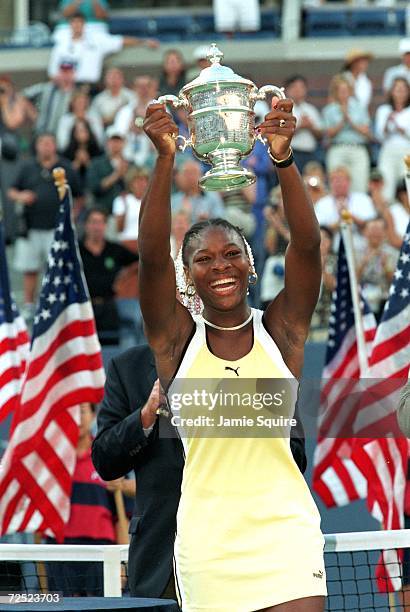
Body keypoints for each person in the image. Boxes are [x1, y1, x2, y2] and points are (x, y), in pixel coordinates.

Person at [138, 99, 326, 610]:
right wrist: (163, 159)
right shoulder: (176, 343)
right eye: (203, 258)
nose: (219, 266)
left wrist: (284, 161)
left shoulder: (281, 331)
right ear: (188, 275)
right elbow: (152, 258)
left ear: (250, 265)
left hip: (286, 535)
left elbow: (307, 250)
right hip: (209, 546)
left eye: (231, 254)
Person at [92, 344, 309, 599]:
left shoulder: (261, 360)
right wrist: (146, 414)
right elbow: (105, 460)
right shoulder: (129, 367)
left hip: (245, 555)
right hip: (163, 563)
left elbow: (295, 457)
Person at [46, 402, 135, 596]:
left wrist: (123, 562)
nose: (78, 417)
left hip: (101, 554)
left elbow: (121, 518)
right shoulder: (51, 460)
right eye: (72, 411)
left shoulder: (105, 457)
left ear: (94, 416)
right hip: (59, 553)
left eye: (83, 411)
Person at [8, 132, 82, 317]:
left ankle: (57, 304)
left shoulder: (66, 167)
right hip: (31, 227)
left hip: (57, 228)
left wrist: (72, 215)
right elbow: (11, 191)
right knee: (30, 268)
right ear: (37, 146)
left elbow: (80, 196)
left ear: (55, 146)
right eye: (42, 143)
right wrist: (22, 196)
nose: (46, 146)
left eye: (49, 143)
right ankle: (29, 305)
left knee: (57, 268)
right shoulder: (28, 167)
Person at [48, 13, 159, 90]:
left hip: (90, 88)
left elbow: (121, 41)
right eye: (74, 22)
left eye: (79, 22)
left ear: (84, 24)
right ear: (70, 25)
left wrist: (144, 42)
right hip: (65, 89)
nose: (77, 25)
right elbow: (52, 74)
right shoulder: (61, 46)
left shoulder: (97, 40)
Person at [79, 207, 139, 345]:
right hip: (84, 308)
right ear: (86, 225)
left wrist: (125, 276)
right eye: (93, 222)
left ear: (105, 225)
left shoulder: (114, 249)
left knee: (111, 349)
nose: (97, 227)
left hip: (108, 307)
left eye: (100, 222)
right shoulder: (76, 250)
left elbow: (140, 262)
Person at [322, 74, 371, 194]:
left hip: (358, 148)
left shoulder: (359, 107)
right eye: (340, 90)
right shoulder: (329, 109)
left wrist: (349, 120)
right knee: (337, 187)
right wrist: (342, 120)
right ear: (336, 92)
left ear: (350, 91)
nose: (343, 93)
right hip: (337, 148)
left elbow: (367, 132)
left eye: (346, 90)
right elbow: (329, 133)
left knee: (360, 187)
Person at [375, 77, 410, 203]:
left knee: (407, 186)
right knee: (386, 187)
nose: (400, 92)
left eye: (403, 89)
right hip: (388, 151)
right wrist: (386, 123)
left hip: (407, 152)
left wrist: (402, 130)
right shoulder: (383, 110)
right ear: (391, 92)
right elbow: (379, 136)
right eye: (397, 89)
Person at [22, 62, 77, 136]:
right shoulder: (47, 88)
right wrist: (33, 114)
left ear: (73, 75)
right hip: (42, 134)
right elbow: (22, 95)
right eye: (63, 72)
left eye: (69, 72)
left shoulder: (77, 93)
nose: (66, 76)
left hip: (66, 138)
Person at [284, 75, 323, 171]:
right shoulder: (283, 110)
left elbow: (320, 135)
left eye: (301, 87)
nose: (298, 90)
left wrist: (310, 127)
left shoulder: (311, 110)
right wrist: (300, 126)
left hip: (310, 154)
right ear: (288, 90)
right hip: (291, 153)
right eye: (294, 87)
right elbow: (281, 135)